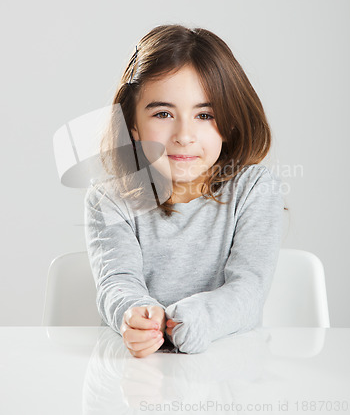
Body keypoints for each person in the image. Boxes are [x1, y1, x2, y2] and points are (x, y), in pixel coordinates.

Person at [84, 24, 286, 357]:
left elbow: (248, 290)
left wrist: (188, 320)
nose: (184, 135)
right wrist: (136, 316)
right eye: (163, 113)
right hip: (142, 374)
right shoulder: (109, 199)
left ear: (230, 123)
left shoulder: (254, 189)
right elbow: (117, 281)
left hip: (230, 374)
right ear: (132, 125)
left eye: (205, 115)